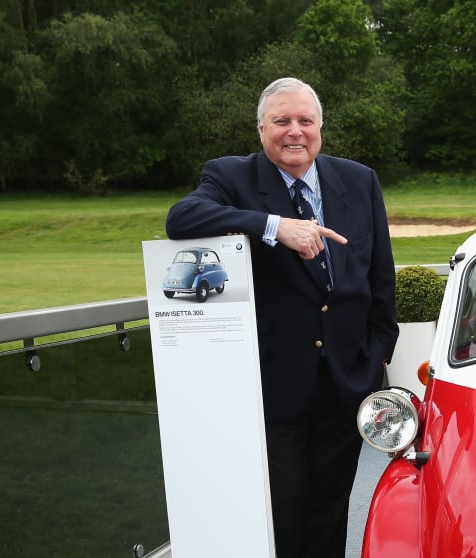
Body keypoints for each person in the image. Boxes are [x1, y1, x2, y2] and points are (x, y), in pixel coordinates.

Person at [165, 77, 398, 557]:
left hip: (346, 382)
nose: (295, 131)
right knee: (283, 511)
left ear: (320, 128)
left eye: (305, 121)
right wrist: (274, 227)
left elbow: (381, 281)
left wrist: (375, 359)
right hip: (273, 387)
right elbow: (181, 219)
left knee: (331, 512)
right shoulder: (232, 178)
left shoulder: (359, 179)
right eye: (282, 121)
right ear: (261, 129)